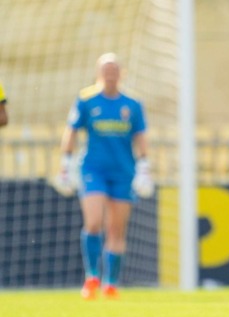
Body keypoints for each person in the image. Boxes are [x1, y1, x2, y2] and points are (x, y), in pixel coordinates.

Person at [54, 53, 154, 300]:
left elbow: (140, 136)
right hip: (92, 170)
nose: (110, 75)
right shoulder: (86, 100)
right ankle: (92, 276)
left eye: (114, 70)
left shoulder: (132, 104)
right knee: (94, 221)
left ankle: (111, 283)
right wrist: (65, 162)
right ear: (99, 73)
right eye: (106, 70)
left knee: (116, 230)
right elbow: (72, 130)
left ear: (122, 74)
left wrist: (144, 166)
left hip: (123, 172)